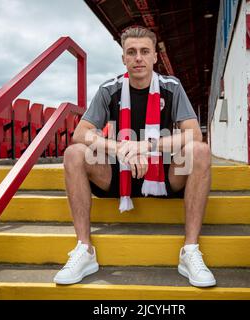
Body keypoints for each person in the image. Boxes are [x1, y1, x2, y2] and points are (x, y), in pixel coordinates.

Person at [53, 26, 215, 288]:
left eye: (144, 51)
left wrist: (147, 146)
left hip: (163, 174)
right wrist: (119, 148)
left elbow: (194, 135)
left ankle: (190, 251)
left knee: (200, 151)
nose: (138, 58)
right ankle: (85, 250)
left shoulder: (171, 87)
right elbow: (80, 134)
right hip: (118, 175)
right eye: (131, 52)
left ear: (154, 57)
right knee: (74, 154)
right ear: (123, 59)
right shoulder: (110, 89)